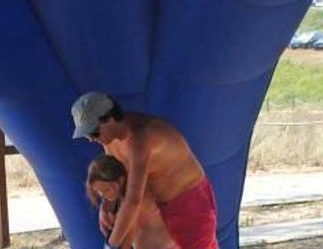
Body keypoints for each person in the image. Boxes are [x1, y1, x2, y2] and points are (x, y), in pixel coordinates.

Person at [71, 91, 218, 249]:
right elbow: (118, 177)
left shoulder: (141, 138)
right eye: (86, 135)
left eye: (93, 132)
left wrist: (111, 246)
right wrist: (107, 205)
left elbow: (134, 200)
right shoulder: (109, 138)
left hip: (189, 201)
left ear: (110, 119)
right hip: (156, 205)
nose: (91, 139)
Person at [86, 154, 179, 249]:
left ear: (120, 181)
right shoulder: (121, 201)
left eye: (106, 190)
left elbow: (129, 233)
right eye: (99, 191)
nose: (103, 195)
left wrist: (110, 246)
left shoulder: (136, 200)